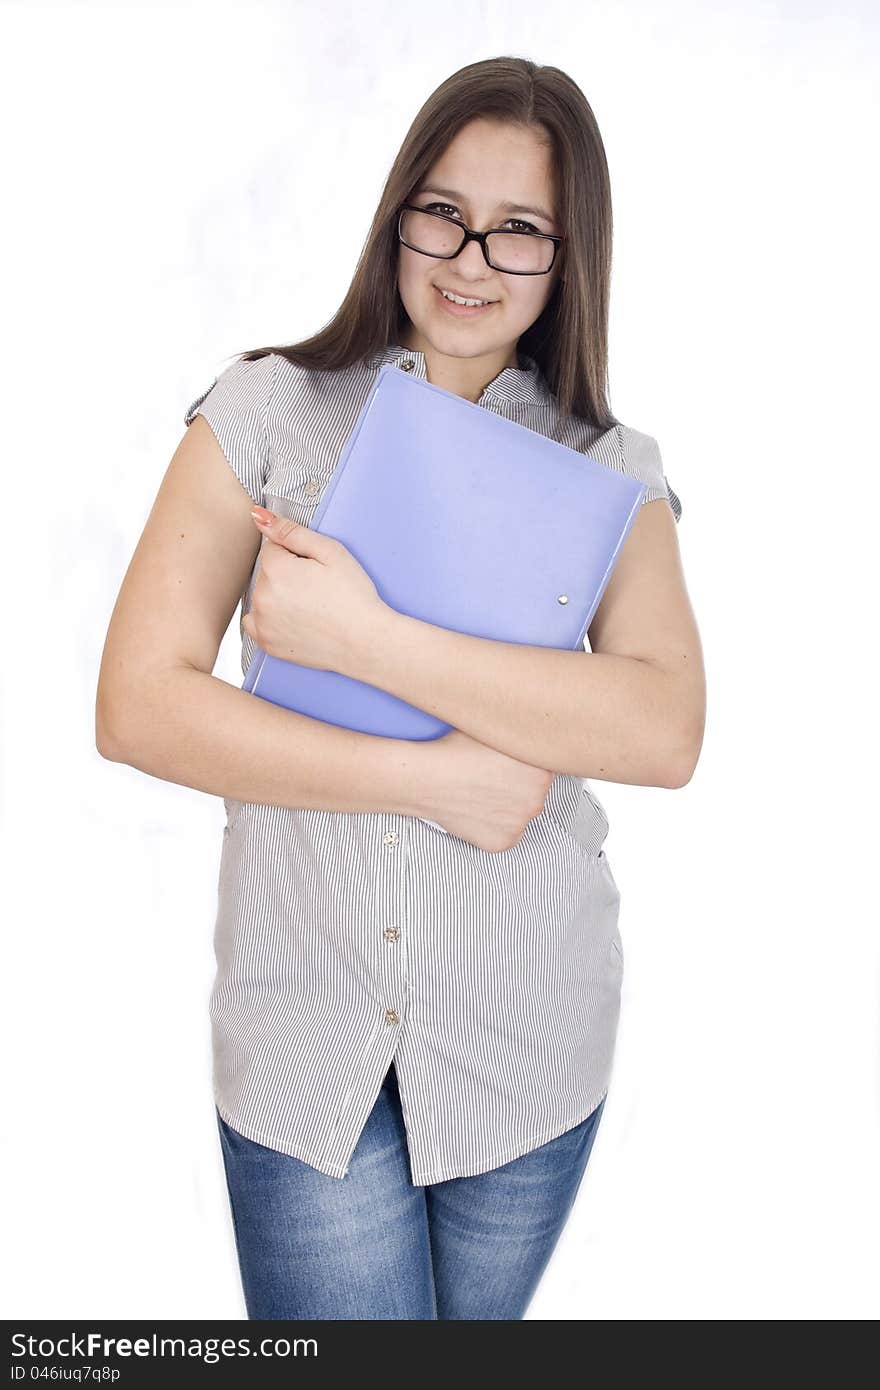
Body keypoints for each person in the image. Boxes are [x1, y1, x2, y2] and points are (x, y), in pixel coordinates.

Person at [96, 55, 704, 1320]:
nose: (469, 259)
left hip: (524, 1047)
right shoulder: (268, 410)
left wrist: (364, 637)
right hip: (304, 1041)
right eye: (442, 211)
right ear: (395, 213)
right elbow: (138, 703)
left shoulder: (610, 470)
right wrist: (432, 777)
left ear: (568, 252)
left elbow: (663, 727)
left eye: (519, 228)